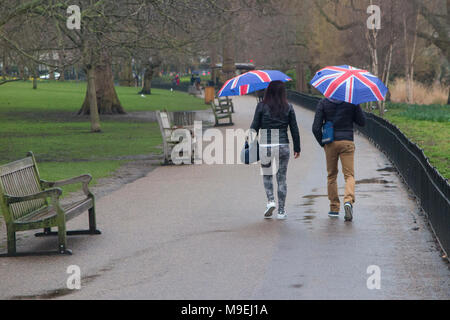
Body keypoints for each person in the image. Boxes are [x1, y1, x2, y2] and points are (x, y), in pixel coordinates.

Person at [250, 81, 301, 220]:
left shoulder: (261, 106)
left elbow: (254, 126)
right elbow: (294, 129)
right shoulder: (288, 107)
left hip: (266, 145)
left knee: (267, 174)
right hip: (283, 145)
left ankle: (271, 200)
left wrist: (249, 143)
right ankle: (281, 211)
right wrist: (297, 147)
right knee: (282, 177)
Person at [312, 97, 366, 221]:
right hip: (347, 141)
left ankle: (334, 208)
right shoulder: (352, 101)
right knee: (349, 175)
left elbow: (315, 128)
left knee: (331, 175)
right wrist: (356, 106)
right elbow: (362, 122)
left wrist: (323, 144)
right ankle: (348, 200)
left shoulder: (323, 103)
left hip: (330, 142)